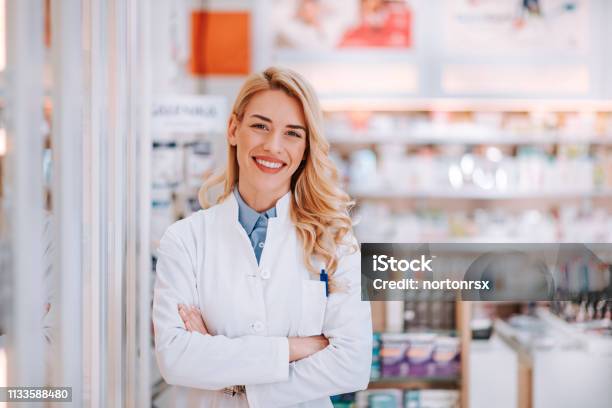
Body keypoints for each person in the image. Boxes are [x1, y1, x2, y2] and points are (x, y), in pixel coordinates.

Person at [153, 67, 372, 407]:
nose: (273, 146)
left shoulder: (336, 242)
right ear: (233, 129)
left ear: (306, 147)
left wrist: (236, 383)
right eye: (260, 126)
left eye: (292, 133)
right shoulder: (185, 240)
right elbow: (176, 358)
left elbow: (353, 365)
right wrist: (297, 347)